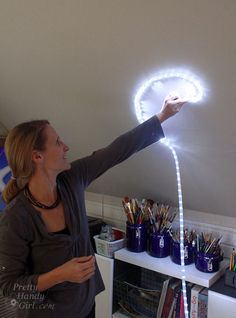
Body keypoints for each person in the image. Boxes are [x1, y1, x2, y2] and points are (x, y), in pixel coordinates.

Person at [0, 95, 186, 318]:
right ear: (37, 156)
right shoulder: (16, 217)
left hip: (86, 307)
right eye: (58, 142)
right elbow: (9, 287)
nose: (66, 146)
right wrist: (59, 274)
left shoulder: (73, 178)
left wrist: (163, 115)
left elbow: (116, 150)